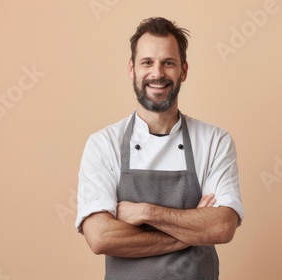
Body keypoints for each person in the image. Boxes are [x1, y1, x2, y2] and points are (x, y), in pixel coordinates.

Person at [75, 17, 244, 280]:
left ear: (184, 70)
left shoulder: (214, 141)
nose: (157, 74)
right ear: (132, 69)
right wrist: (192, 230)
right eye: (147, 62)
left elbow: (222, 226)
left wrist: (145, 212)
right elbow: (101, 237)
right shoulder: (103, 144)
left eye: (168, 63)